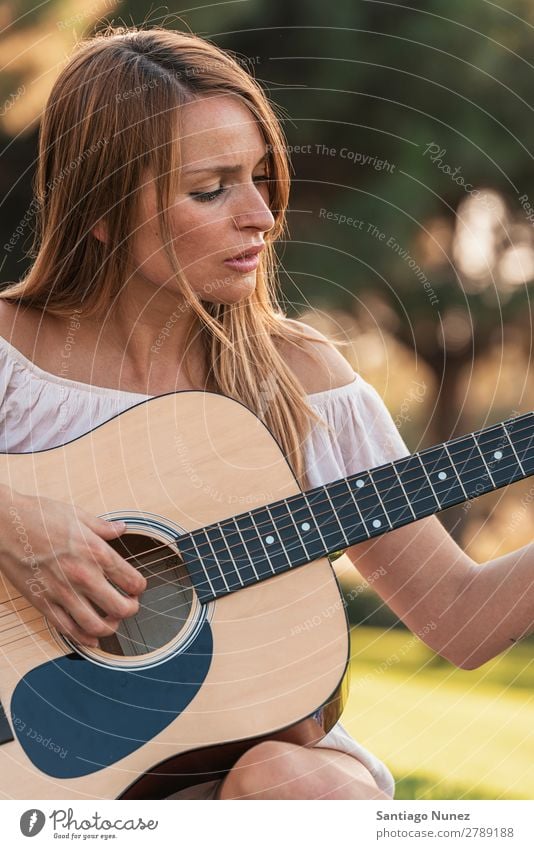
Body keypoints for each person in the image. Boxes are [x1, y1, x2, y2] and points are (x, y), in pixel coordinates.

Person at [0, 25, 532, 801]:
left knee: (297, 783)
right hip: (45, 775)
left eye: (260, 176)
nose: (262, 215)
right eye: (211, 188)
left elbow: (460, 615)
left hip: (236, 772)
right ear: (102, 210)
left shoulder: (304, 380)